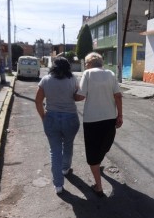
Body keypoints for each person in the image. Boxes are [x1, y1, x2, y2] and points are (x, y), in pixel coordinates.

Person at [75, 52, 123, 197]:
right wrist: (120, 115)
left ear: (88, 63)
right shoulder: (110, 74)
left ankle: (98, 187)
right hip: (109, 119)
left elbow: (80, 96)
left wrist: (69, 94)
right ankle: (98, 166)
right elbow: (118, 96)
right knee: (104, 145)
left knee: (93, 153)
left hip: (92, 121)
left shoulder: (87, 74)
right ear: (101, 63)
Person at [35, 57, 80, 195]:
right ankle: (65, 169)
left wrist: (43, 116)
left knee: (55, 151)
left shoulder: (46, 80)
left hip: (52, 118)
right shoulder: (73, 79)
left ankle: (58, 185)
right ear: (68, 67)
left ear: (53, 66)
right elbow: (77, 96)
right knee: (68, 145)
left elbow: (38, 101)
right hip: (70, 118)